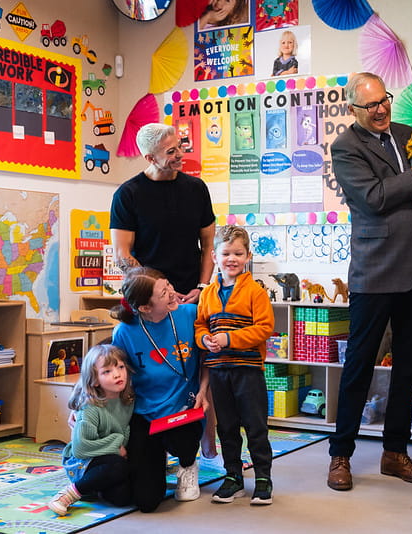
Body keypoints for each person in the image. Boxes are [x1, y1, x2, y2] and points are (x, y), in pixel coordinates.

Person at [327, 72, 412, 492]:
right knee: (359, 365)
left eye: (385, 100)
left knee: (408, 367)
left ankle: (394, 452)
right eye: (371, 105)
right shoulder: (345, 147)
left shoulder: (408, 132)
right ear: (353, 110)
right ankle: (340, 455)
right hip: (376, 269)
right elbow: (374, 199)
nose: (381, 109)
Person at [110, 267, 210, 512]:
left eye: (169, 286)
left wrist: (204, 391)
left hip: (185, 407)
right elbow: (110, 373)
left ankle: (187, 465)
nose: (173, 293)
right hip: (146, 414)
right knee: (146, 501)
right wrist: (84, 405)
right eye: (164, 292)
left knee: (183, 441)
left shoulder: (190, 314)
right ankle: (156, 463)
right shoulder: (124, 332)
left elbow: (208, 359)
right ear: (145, 307)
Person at [195, 225, 275, 505]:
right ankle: (233, 476)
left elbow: (264, 327)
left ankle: (263, 477)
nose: (232, 258)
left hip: (248, 370)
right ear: (215, 257)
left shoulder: (255, 292)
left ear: (248, 256)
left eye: (238, 253)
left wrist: (230, 338)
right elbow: (200, 324)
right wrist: (205, 339)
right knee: (226, 426)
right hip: (218, 371)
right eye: (226, 253)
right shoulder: (208, 293)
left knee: (255, 426)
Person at [110, 123, 215, 305]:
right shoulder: (127, 194)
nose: (180, 154)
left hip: (191, 297)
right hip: (149, 300)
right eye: (171, 152)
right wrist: (159, 291)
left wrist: (202, 287)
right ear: (150, 158)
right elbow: (122, 255)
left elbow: (208, 246)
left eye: (180, 146)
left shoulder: (197, 189)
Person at [48, 344, 135, 516]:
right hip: (84, 462)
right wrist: (117, 444)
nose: (117, 374)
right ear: (95, 380)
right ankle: (69, 494)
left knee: (124, 497)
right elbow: (81, 449)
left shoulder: (128, 399)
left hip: (110, 459)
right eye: (107, 372)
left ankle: (94, 487)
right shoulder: (91, 407)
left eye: (120, 367)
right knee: (117, 465)